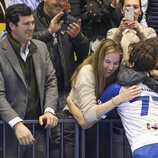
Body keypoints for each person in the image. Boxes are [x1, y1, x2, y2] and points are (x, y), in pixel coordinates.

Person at [68, 38, 158, 158]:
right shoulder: (153, 85)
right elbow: (87, 119)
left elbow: (87, 121)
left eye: (115, 63)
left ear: (129, 64)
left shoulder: (117, 87)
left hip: (143, 146)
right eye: (107, 62)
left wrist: (69, 102)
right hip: (80, 128)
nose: (111, 67)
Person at [0, 4, 58, 158]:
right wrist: (16, 124)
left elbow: (50, 82)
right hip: (8, 133)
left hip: (39, 132)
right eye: (26, 24)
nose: (31, 27)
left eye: (32, 22)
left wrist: (49, 110)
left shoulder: (41, 47)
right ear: (12, 25)